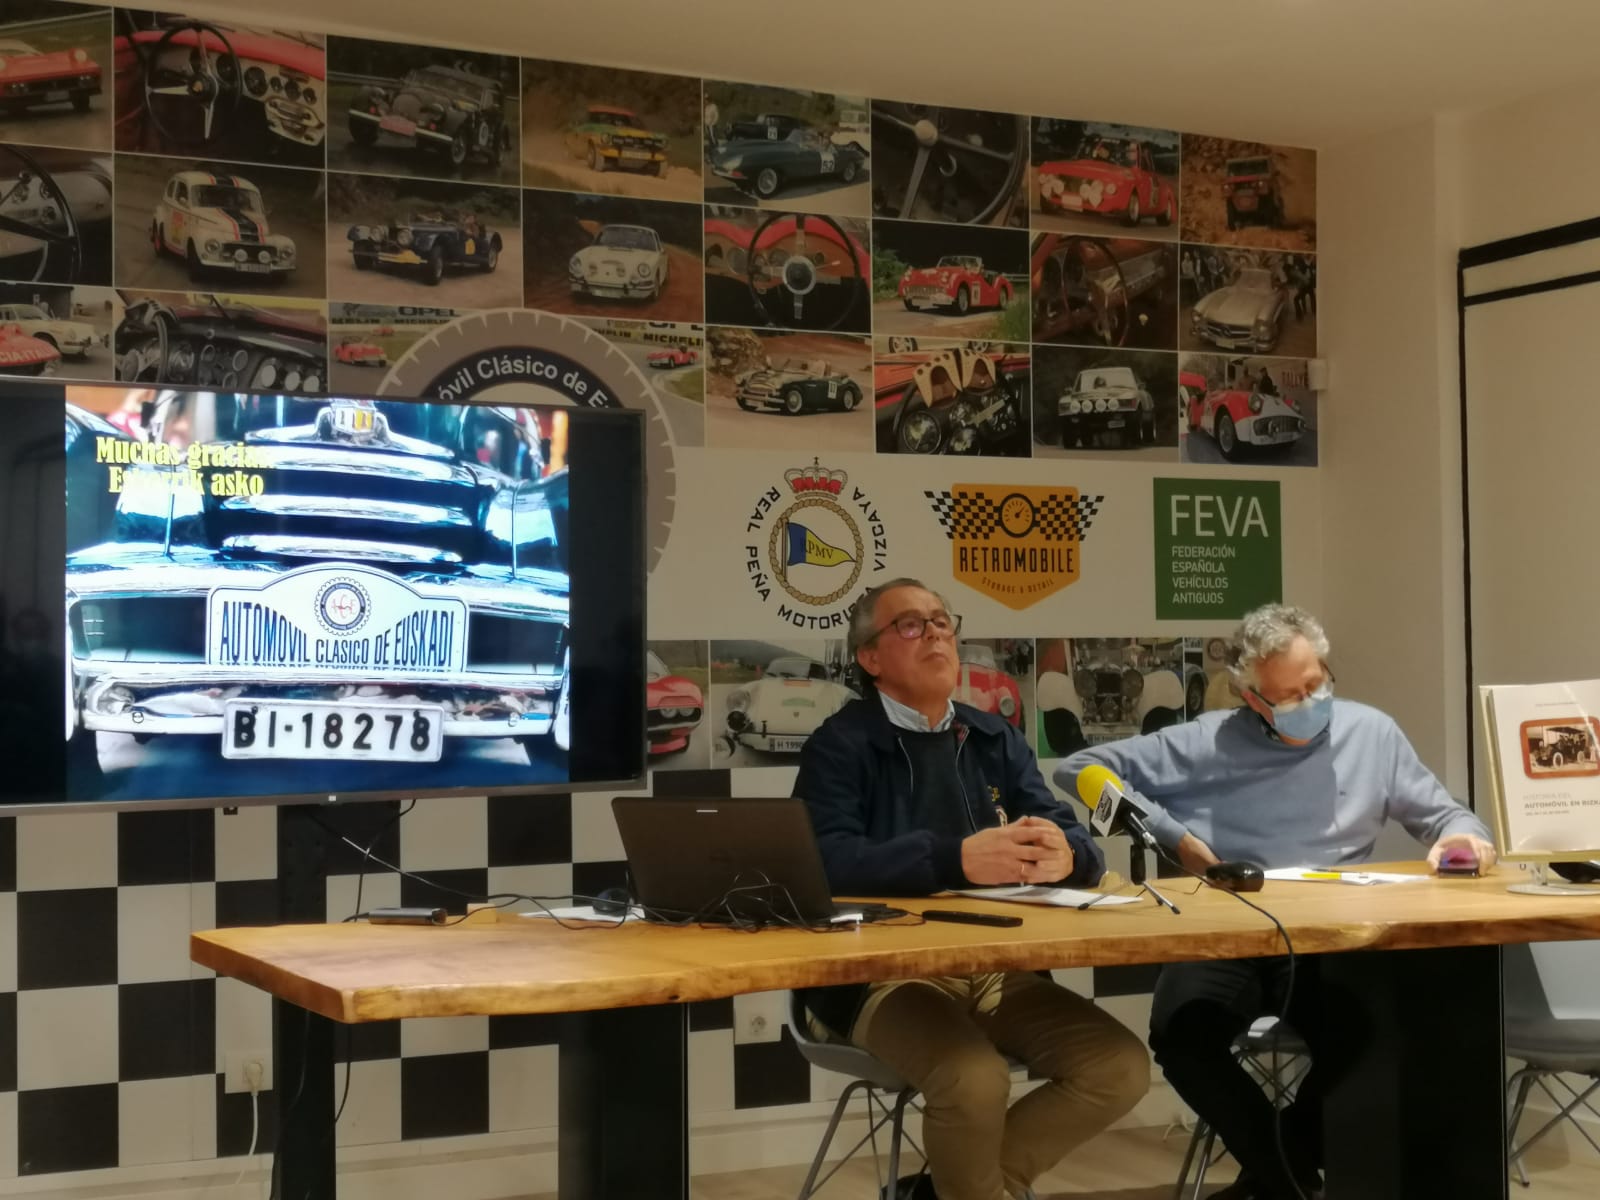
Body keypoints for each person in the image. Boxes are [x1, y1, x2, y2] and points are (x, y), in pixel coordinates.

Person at [1055, 604, 1495, 1200]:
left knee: (1375, 1036)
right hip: (1231, 929)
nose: (1310, 701)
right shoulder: (1204, 741)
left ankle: (1277, 1177)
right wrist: (1175, 838)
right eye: (1289, 696)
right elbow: (1080, 768)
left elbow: (1446, 816)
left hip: (1330, 937)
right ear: (1251, 697)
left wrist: (1462, 839)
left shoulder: (1373, 733)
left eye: (1317, 684)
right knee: (1183, 1038)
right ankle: (1288, 1182)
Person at [796, 579, 1150, 1200]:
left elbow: (1070, 836)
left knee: (1119, 1067)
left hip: (996, 968)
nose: (935, 634)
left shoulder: (993, 737)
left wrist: (1067, 855)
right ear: (870, 658)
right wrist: (953, 859)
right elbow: (823, 862)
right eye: (910, 625)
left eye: (941, 621)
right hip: (879, 975)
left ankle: (947, 1193)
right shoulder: (839, 744)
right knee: (974, 1079)